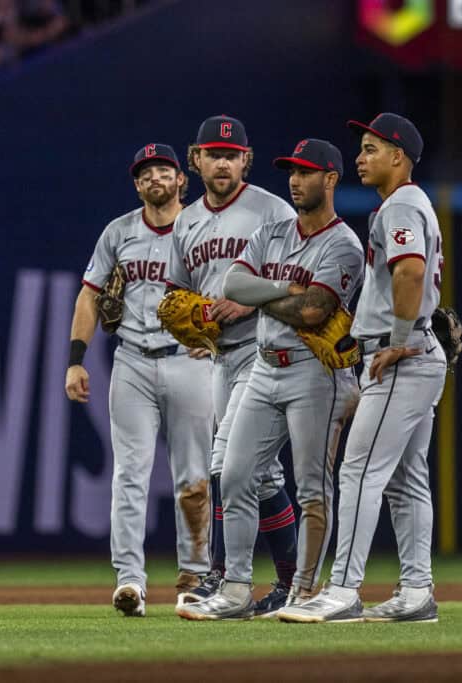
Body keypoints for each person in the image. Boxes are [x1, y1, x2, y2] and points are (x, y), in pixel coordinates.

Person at [176, 139, 363, 621]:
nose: (296, 180)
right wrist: (281, 290)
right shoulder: (274, 231)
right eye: (292, 172)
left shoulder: (343, 244)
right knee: (235, 476)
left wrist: (269, 296)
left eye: (306, 172)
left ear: (331, 179)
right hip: (263, 365)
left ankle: (303, 591)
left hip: (312, 372)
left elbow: (314, 310)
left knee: (312, 489)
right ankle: (236, 590)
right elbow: (234, 286)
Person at [278, 113, 447, 624]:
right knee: (406, 480)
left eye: (372, 148)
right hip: (415, 352)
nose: (360, 156)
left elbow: (411, 270)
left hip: (402, 358)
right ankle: (417, 591)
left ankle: (344, 590)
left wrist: (395, 339)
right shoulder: (413, 205)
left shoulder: (399, 207)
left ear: (399, 156)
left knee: (358, 471)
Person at [65, 143, 213, 617]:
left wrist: (215, 336)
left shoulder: (202, 228)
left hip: (188, 361)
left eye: (164, 170)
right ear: (136, 183)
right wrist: (75, 359)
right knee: (129, 474)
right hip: (131, 360)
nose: (155, 177)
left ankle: (194, 577)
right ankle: (130, 581)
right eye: (146, 172)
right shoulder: (119, 232)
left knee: (193, 476)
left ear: (181, 179)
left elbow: (228, 289)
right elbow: (89, 297)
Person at [166, 115, 300, 617]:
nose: (222, 162)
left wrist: (249, 303)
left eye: (231, 154)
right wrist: (191, 322)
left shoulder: (273, 209)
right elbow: (176, 294)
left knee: (228, 466)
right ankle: (290, 584)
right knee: (260, 477)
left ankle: (226, 579)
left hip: (269, 350)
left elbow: (300, 277)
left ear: (246, 159)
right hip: (220, 358)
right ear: (195, 160)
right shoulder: (186, 221)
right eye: (212, 153)